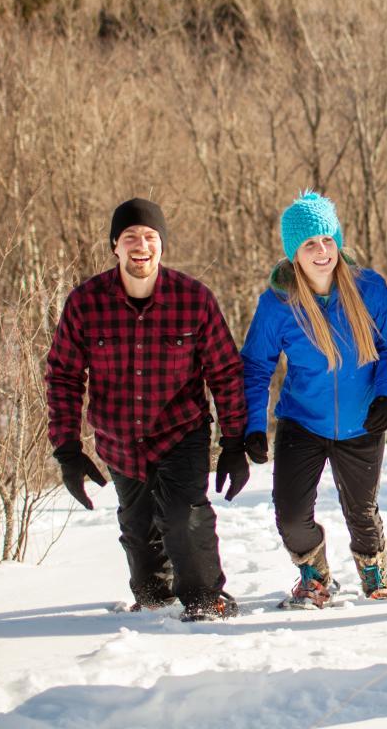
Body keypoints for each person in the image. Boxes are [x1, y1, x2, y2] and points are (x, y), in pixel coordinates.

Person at [45, 198, 250, 622]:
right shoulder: (86, 303)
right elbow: (64, 375)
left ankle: (205, 599)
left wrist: (234, 442)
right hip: (119, 440)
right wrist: (66, 448)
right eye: (130, 237)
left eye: (150, 237)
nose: (141, 245)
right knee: (139, 534)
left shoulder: (194, 299)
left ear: (162, 245)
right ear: (115, 247)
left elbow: (226, 373)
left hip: (181, 431)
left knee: (182, 516)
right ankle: (154, 601)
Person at [241, 192, 387, 609]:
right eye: (310, 244)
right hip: (302, 422)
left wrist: (386, 395)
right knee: (291, 515)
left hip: (362, 419)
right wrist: (253, 426)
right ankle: (314, 574)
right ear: (293, 253)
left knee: (362, 512)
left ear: (337, 241)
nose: (321, 251)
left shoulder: (368, 288)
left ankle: (374, 569)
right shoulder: (277, 304)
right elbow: (257, 368)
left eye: (327, 240)